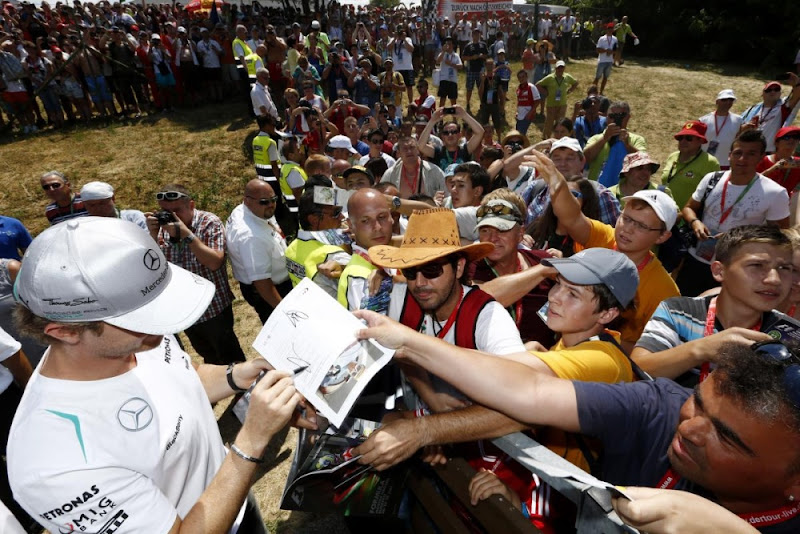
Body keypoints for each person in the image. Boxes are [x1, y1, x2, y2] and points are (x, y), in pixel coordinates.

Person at [356, 311, 800, 533]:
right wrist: (411, 345)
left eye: (725, 435)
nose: (690, 427)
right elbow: (529, 393)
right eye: (699, 403)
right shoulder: (659, 406)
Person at [7, 217, 307, 534]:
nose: (163, 326)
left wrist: (238, 376)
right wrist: (252, 439)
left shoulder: (132, 337)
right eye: (142, 317)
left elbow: (180, 375)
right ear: (65, 331)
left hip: (233, 498)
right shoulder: (54, 464)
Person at [368, 207, 525, 413]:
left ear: (459, 268)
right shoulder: (398, 297)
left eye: (432, 269)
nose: (420, 283)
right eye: (410, 271)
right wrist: (427, 394)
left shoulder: (487, 316)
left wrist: (430, 429)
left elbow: (521, 389)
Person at [525, 149, 679, 352]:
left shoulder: (665, 292)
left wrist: (592, 342)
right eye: (627, 218)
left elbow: (653, 351)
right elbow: (571, 217)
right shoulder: (603, 237)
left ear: (662, 237)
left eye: (641, 226)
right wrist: (557, 184)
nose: (627, 228)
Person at [633, 224, 788, 387]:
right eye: (757, 266)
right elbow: (637, 370)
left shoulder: (789, 334)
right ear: (719, 271)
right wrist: (702, 350)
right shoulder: (678, 312)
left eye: (784, 268)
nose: (774, 279)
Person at [678, 130, 791, 296]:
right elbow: (689, 208)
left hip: (736, 268)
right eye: (738, 153)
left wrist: (740, 237)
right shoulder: (712, 179)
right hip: (696, 259)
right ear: (730, 155)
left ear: (761, 157)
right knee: (683, 306)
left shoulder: (775, 192)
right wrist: (695, 222)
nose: (742, 159)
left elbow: (783, 234)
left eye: (751, 154)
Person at [145, 185, 245, 366]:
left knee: (231, 358)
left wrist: (186, 234)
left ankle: (247, 391)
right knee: (209, 358)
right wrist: (152, 235)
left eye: (176, 211)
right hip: (185, 311)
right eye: (165, 211)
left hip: (213, 308)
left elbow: (214, 262)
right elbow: (152, 269)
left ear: (191, 205)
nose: (172, 217)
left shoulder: (208, 223)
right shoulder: (161, 230)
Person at [469, 193, 554, 345]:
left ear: (520, 234)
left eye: (502, 230)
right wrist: (542, 271)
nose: (493, 238)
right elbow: (481, 299)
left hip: (543, 359)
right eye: (485, 230)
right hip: (490, 360)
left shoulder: (541, 259)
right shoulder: (469, 267)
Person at [226, 179, 291, 324]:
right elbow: (262, 282)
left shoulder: (251, 211)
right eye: (264, 202)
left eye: (273, 199)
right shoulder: (251, 237)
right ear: (247, 201)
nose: (271, 205)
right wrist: (284, 312)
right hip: (270, 291)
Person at [521, 137, 621, 228]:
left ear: (582, 161)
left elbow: (612, 239)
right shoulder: (535, 189)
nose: (563, 164)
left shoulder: (600, 194)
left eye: (569, 158)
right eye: (557, 158)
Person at [336, 189, 395, 311]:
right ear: (350, 225)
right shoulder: (360, 279)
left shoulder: (390, 260)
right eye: (366, 221)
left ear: (391, 217)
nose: (377, 227)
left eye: (382, 217)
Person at [285, 189, 348, 298]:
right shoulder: (333, 255)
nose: (342, 217)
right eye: (336, 213)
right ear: (314, 220)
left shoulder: (291, 248)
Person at [660, 120, 721, 209]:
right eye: (681, 138)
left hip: (687, 217)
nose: (683, 141)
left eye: (689, 138)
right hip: (664, 211)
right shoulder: (672, 156)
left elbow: (713, 195)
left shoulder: (710, 162)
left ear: (700, 140)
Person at [584, 101, 647, 182]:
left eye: (620, 116)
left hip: (623, 191)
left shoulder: (636, 140)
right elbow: (585, 160)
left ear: (628, 118)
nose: (615, 119)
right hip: (597, 190)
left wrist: (627, 145)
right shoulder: (596, 139)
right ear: (606, 118)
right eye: (612, 116)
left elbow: (644, 163)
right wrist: (604, 139)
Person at [741, 75, 800, 153]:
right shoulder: (753, 109)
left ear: (780, 93)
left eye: (776, 89)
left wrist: (796, 84)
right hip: (749, 149)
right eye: (769, 90)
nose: (773, 92)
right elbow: (737, 128)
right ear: (762, 94)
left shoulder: (783, 107)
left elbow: (796, 96)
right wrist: (745, 127)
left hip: (769, 151)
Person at [418, 106, 484, 171]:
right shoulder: (438, 152)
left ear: (459, 135)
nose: (450, 135)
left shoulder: (465, 150)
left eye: (454, 132)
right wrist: (432, 121)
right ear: (442, 137)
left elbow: (480, 132)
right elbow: (421, 145)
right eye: (446, 133)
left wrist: (464, 115)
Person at [381, 136, 446, 198]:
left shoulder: (434, 171)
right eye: (405, 148)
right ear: (399, 153)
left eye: (412, 147)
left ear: (418, 150)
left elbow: (447, 195)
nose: (409, 151)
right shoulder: (390, 174)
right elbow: (381, 196)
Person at [698, 89, 743, 170]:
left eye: (731, 100)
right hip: (703, 162)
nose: (728, 103)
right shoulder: (703, 120)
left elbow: (739, 140)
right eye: (724, 100)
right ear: (717, 101)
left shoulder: (738, 120)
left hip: (725, 164)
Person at [536, 60, 578, 139]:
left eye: (562, 68)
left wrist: (570, 90)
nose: (560, 70)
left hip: (562, 104)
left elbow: (575, 83)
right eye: (559, 68)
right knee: (549, 122)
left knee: (560, 122)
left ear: (564, 68)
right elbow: (538, 84)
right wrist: (545, 92)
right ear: (555, 68)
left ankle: (559, 137)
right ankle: (546, 137)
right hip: (551, 104)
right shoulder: (550, 77)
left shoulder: (567, 77)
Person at [80, 181, 147, 230]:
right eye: (92, 205)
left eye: (102, 203)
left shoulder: (133, 218)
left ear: (113, 199)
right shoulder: (83, 227)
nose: (98, 208)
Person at [756, 126, 800, 200]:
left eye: (795, 137)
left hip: (783, 204)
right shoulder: (762, 161)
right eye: (787, 137)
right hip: (761, 201)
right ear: (776, 143)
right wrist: (774, 168)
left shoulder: (798, 162)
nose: (792, 140)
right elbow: (750, 182)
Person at [461, 28, 489, 113]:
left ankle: (482, 103)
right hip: (471, 69)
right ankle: (468, 103)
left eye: (478, 34)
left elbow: (487, 56)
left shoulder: (483, 45)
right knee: (469, 88)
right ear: (472, 35)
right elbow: (463, 57)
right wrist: (472, 58)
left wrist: (481, 56)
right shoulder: (468, 46)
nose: (476, 36)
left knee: (481, 88)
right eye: (475, 34)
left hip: (481, 69)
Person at [477, 58, 505, 131]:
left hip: (495, 103)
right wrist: (483, 81)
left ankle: (499, 139)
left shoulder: (497, 77)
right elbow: (480, 92)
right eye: (488, 64)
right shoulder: (482, 77)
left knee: (497, 123)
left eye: (491, 64)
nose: (489, 66)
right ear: (485, 65)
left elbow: (500, 91)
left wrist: (502, 104)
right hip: (485, 104)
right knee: (484, 124)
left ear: (494, 66)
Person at [435, 37, 462, 108]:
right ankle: (440, 118)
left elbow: (460, 66)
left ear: (453, 45)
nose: (448, 46)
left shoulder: (456, 55)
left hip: (453, 80)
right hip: (444, 79)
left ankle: (454, 118)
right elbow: (438, 61)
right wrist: (443, 51)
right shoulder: (442, 54)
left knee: (453, 101)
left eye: (450, 44)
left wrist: (451, 64)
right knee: (442, 99)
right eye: (447, 44)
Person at [593, 23, 617, 95]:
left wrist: (612, 52)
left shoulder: (615, 39)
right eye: (609, 28)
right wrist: (606, 50)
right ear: (606, 29)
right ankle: (593, 91)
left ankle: (601, 92)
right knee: (597, 77)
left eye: (611, 29)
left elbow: (616, 50)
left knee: (605, 77)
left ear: (613, 30)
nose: (610, 30)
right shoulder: (602, 38)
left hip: (609, 61)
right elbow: (597, 50)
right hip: (602, 61)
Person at [515, 70, 541, 135]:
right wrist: (517, 112)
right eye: (519, 77)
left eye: (523, 77)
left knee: (521, 134)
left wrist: (530, 113)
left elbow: (537, 101)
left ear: (527, 77)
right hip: (520, 116)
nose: (521, 79)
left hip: (527, 115)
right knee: (518, 133)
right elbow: (519, 101)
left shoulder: (531, 87)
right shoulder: (519, 88)